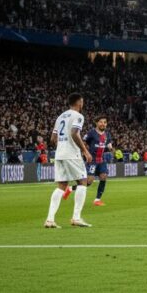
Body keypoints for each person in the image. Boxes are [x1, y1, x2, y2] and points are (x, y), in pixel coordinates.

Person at [44, 93, 93, 228]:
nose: (82, 104)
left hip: (59, 154)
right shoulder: (78, 116)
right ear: (79, 103)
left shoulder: (60, 117)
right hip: (72, 154)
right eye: (82, 102)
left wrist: (62, 146)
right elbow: (74, 133)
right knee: (83, 181)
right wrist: (85, 150)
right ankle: (76, 217)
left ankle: (50, 220)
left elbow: (53, 139)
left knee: (61, 186)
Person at [83, 116, 113, 206]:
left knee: (103, 177)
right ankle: (70, 189)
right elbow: (83, 143)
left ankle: (97, 200)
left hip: (101, 160)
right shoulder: (91, 133)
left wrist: (111, 148)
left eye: (105, 122)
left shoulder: (107, 134)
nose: (103, 124)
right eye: (101, 122)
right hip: (92, 160)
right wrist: (85, 153)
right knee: (89, 182)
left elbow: (109, 144)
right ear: (96, 123)